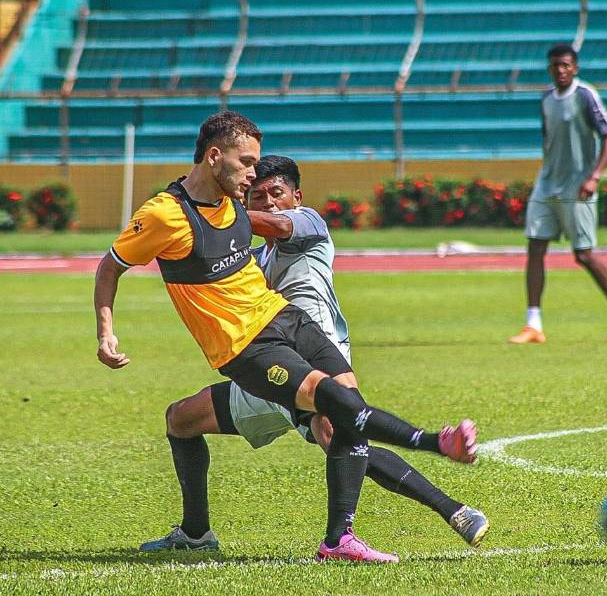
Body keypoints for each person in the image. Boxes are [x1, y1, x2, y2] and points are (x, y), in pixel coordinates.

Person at [95, 112, 480, 564]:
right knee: (329, 416)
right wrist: (106, 331)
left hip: (291, 324)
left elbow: (272, 224)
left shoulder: (290, 219)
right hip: (252, 351)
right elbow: (113, 264)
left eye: (270, 184)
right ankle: (434, 453)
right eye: (248, 166)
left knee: (342, 421)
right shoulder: (168, 214)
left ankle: (346, 535)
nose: (255, 178)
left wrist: (238, 200)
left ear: (297, 196)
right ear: (215, 156)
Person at [509, 43, 607, 344]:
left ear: (575, 67)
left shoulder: (585, 95)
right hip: (547, 183)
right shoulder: (546, 99)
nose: (560, 70)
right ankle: (533, 324)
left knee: (583, 255)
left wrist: (594, 176)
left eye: (566, 65)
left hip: (577, 185)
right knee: (535, 248)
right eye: (555, 65)